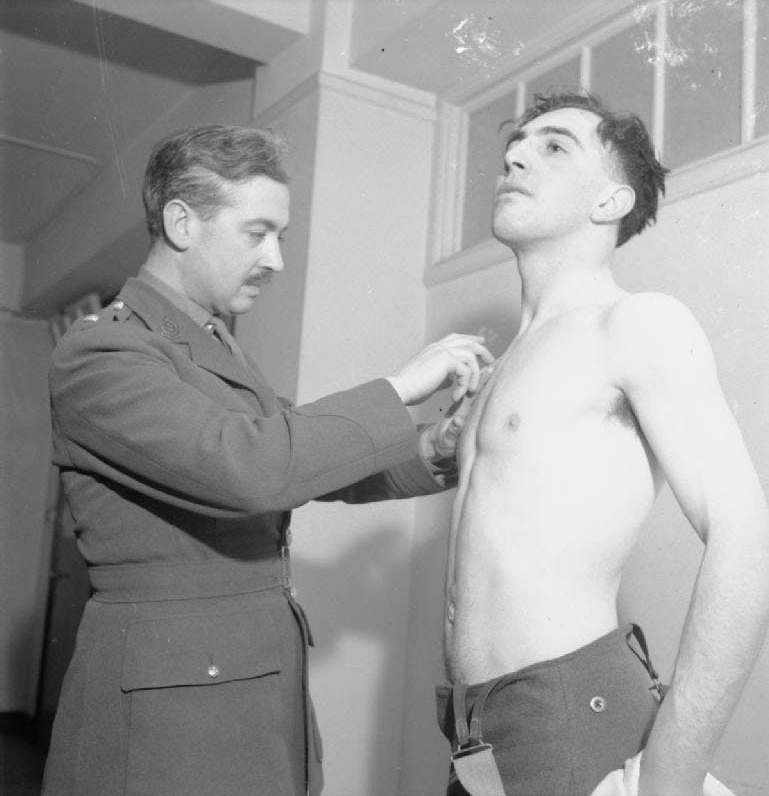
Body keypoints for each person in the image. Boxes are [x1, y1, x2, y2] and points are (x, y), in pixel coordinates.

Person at [42, 124, 492, 796]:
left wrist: (438, 448)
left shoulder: (214, 346)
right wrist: (399, 387)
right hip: (168, 704)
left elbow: (308, 456)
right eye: (257, 232)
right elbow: (254, 469)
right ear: (181, 222)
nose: (276, 258)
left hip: (244, 676)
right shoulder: (103, 356)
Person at [435, 91, 769, 796]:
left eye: (554, 146)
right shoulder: (505, 369)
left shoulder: (632, 323)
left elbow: (748, 537)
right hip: (475, 735)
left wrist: (667, 778)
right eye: (513, 146)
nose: (514, 157)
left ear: (611, 201)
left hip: (567, 721)